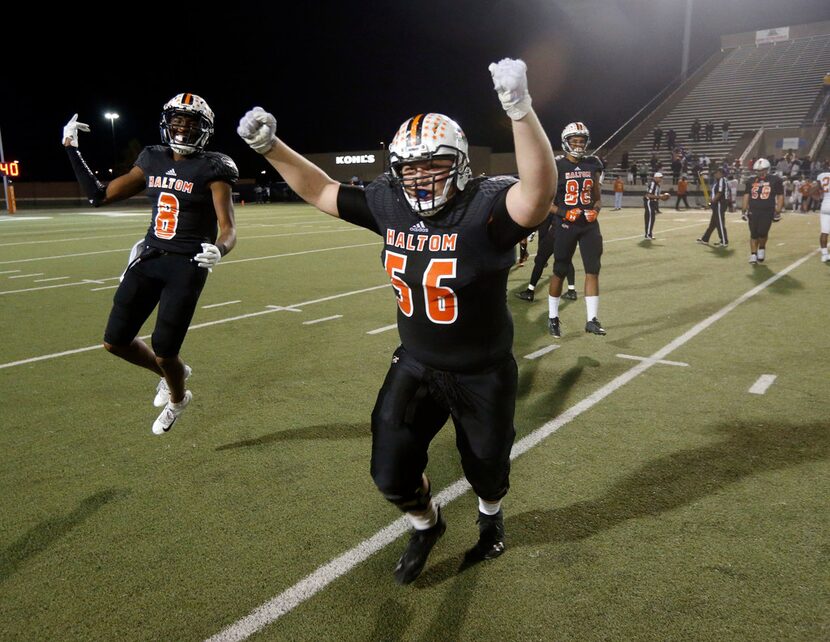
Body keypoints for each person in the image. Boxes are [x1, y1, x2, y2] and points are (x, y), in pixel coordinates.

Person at [236, 58, 556, 584]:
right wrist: (271, 148)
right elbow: (319, 190)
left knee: (487, 472)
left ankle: (490, 518)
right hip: (417, 363)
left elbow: (538, 192)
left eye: (432, 165)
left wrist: (520, 110)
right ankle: (427, 524)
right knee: (389, 472)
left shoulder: (485, 209)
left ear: (458, 163)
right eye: (409, 167)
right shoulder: (389, 204)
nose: (419, 177)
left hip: (482, 370)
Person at [62, 94, 238, 435]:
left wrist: (220, 249)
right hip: (149, 257)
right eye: (177, 123)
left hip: (187, 265)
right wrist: (71, 146)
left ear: (204, 130)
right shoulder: (152, 159)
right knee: (115, 341)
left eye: (190, 124)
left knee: (165, 349)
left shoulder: (214, 167)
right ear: (167, 124)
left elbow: (228, 228)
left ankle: (177, 399)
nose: (183, 130)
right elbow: (99, 195)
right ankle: (173, 379)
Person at [544, 122, 606, 338]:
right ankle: (552, 317)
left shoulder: (593, 164)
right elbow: (545, 203)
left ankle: (591, 320)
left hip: (589, 225)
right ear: (566, 142)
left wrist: (595, 211)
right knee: (560, 270)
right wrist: (563, 213)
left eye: (582, 141)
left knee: (593, 269)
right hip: (566, 225)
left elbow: (597, 197)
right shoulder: (556, 166)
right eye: (575, 141)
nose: (579, 145)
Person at [515, 210, 577, 302]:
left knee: (540, 259)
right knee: (566, 260)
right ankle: (572, 291)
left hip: (558, 230)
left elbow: (551, 207)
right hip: (571, 232)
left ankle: (529, 292)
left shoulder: (560, 197)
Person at [742, 158, 783, 265]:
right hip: (753, 210)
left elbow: (780, 195)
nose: (760, 172)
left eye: (763, 169)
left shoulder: (775, 179)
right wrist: (743, 209)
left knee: (762, 232)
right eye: (758, 170)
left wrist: (778, 210)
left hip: (767, 210)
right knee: (753, 233)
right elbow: (746, 195)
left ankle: (762, 248)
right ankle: (753, 254)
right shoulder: (751, 180)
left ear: (768, 169)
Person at [696, 166, 729, 247]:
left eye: (717, 173)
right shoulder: (718, 181)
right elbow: (715, 193)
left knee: (720, 223)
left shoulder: (722, 180)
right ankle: (705, 239)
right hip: (717, 204)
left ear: (721, 174)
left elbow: (720, 192)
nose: (715, 174)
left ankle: (724, 241)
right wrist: (710, 203)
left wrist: (712, 202)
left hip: (719, 204)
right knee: (713, 223)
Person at [643, 171, 670, 239]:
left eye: (661, 177)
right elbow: (648, 195)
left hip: (653, 202)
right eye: (660, 177)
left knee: (651, 219)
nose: (661, 179)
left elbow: (655, 195)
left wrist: (662, 196)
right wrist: (661, 197)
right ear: (656, 177)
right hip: (649, 201)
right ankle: (648, 235)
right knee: (650, 218)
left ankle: (648, 234)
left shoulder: (657, 185)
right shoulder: (653, 183)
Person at [813, 170, 830, 263]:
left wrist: (818, 199)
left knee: (824, 232)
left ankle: (824, 254)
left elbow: (813, 191)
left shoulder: (822, 176)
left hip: (825, 206)